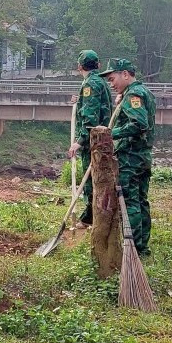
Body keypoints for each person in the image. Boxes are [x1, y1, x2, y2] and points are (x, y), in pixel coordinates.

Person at [99, 58, 156, 255]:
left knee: (130, 202)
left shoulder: (134, 94)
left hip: (131, 157)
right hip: (143, 156)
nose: (111, 84)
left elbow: (139, 124)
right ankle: (142, 247)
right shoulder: (142, 91)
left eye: (112, 79)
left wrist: (110, 134)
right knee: (141, 201)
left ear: (125, 74)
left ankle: (133, 249)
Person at [67, 50, 112, 228]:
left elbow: (90, 118)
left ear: (79, 66)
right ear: (98, 65)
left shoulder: (90, 84)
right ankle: (94, 215)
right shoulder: (100, 81)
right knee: (99, 177)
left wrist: (80, 142)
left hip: (94, 142)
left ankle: (90, 217)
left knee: (92, 179)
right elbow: (94, 105)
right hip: (103, 139)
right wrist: (79, 101)